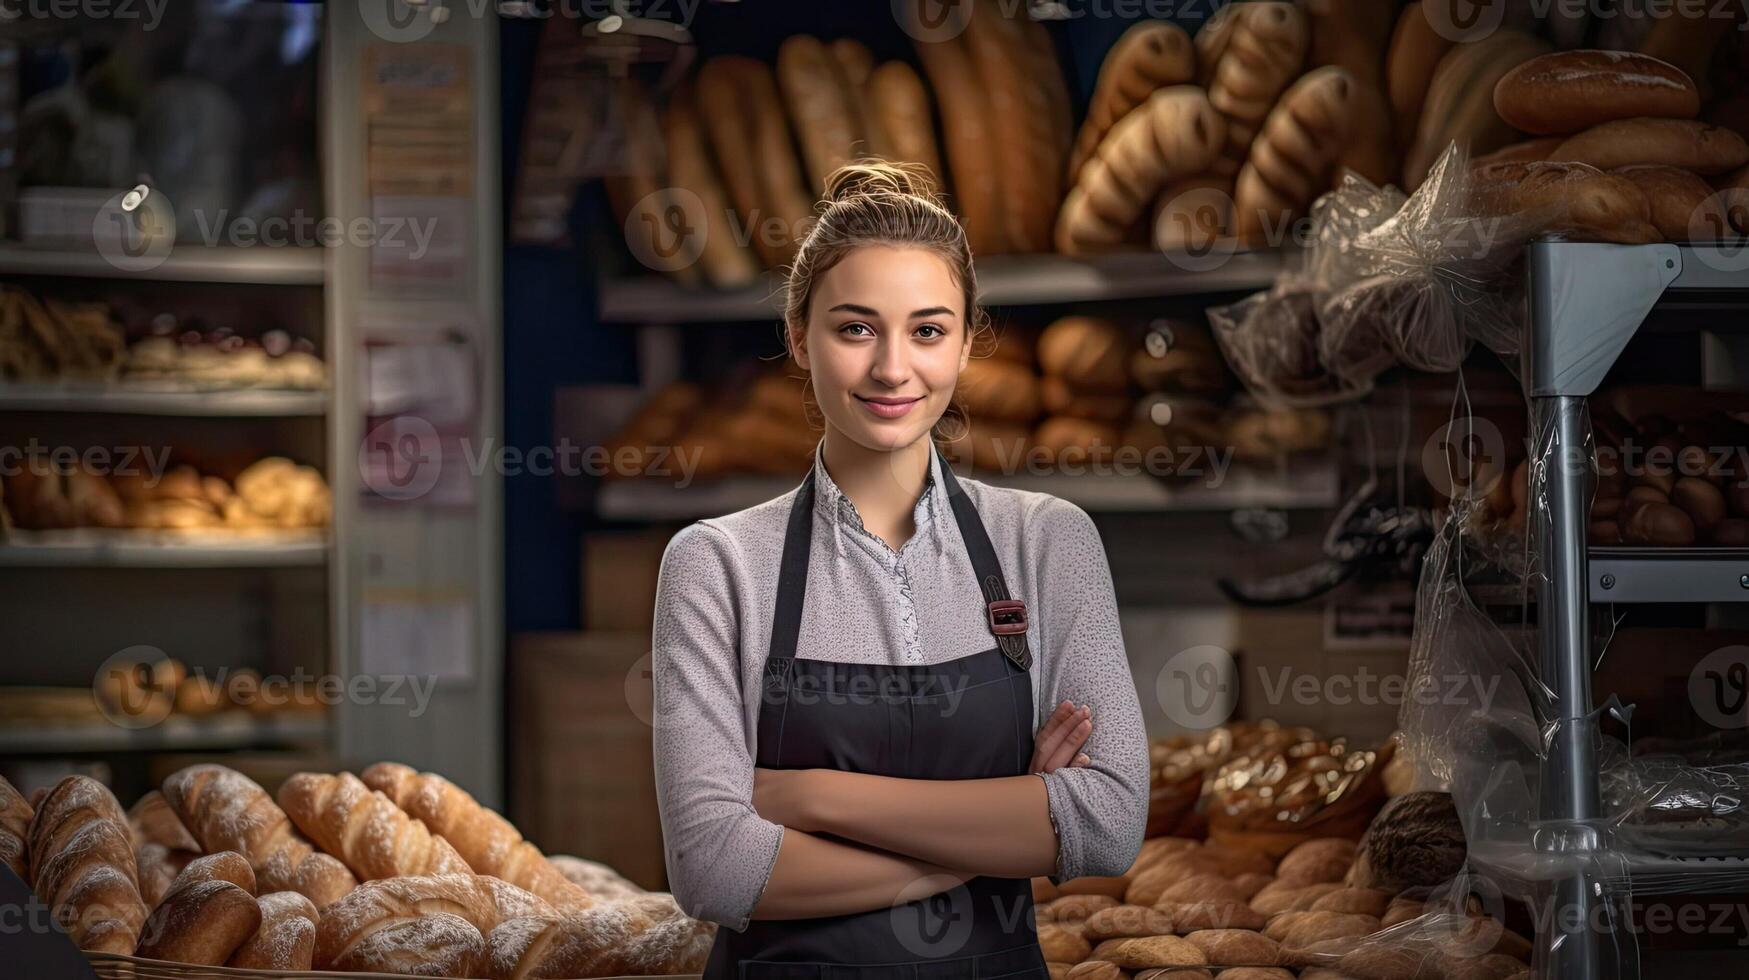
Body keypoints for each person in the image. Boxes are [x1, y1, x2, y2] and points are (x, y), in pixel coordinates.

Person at [651, 159, 1149, 979]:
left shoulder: (1048, 543)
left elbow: (1107, 823)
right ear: (796, 335)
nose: (892, 369)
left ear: (963, 341)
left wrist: (810, 798)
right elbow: (715, 868)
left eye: (927, 330)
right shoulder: (717, 566)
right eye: (854, 328)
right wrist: (994, 837)